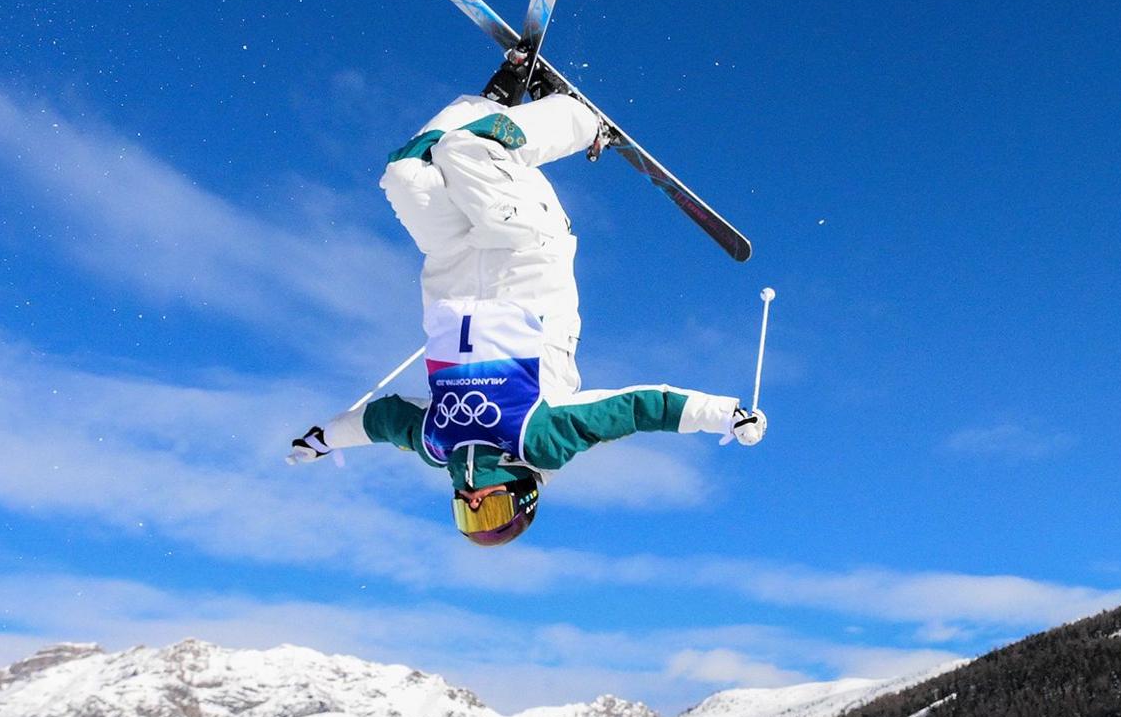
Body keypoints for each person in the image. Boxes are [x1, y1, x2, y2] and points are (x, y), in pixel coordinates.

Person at [287, 75, 765, 546]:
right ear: (523, 496)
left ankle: (492, 99)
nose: (473, 502)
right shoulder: (542, 440)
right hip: (527, 254)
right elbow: (639, 409)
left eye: (466, 515)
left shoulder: (436, 443)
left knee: (406, 174)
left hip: (453, 267)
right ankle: (580, 119)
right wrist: (726, 415)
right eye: (492, 509)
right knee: (465, 151)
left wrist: (324, 438)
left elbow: (379, 422)